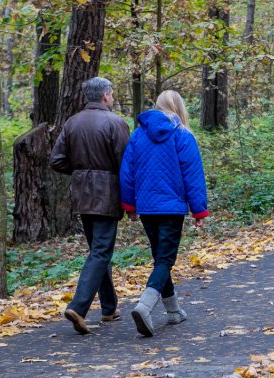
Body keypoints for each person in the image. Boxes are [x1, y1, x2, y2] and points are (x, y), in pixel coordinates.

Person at [119, 90, 209, 337]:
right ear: (180, 107)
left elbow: (127, 173)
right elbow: (193, 175)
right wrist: (199, 211)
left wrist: (130, 205)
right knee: (165, 260)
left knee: (160, 257)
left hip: (147, 207)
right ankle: (144, 307)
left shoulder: (138, 135)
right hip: (171, 207)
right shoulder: (182, 135)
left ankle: (173, 311)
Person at [50, 77, 130, 334]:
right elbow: (125, 165)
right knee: (100, 251)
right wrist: (130, 200)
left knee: (99, 250)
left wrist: (82, 172)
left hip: (82, 194)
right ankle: (78, 306)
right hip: (106, 194)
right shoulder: (115, 122)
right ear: (105, 95)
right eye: (113, 93)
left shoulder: (72, 122)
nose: (113, 97)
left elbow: (57, 160)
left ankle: (109, 308)